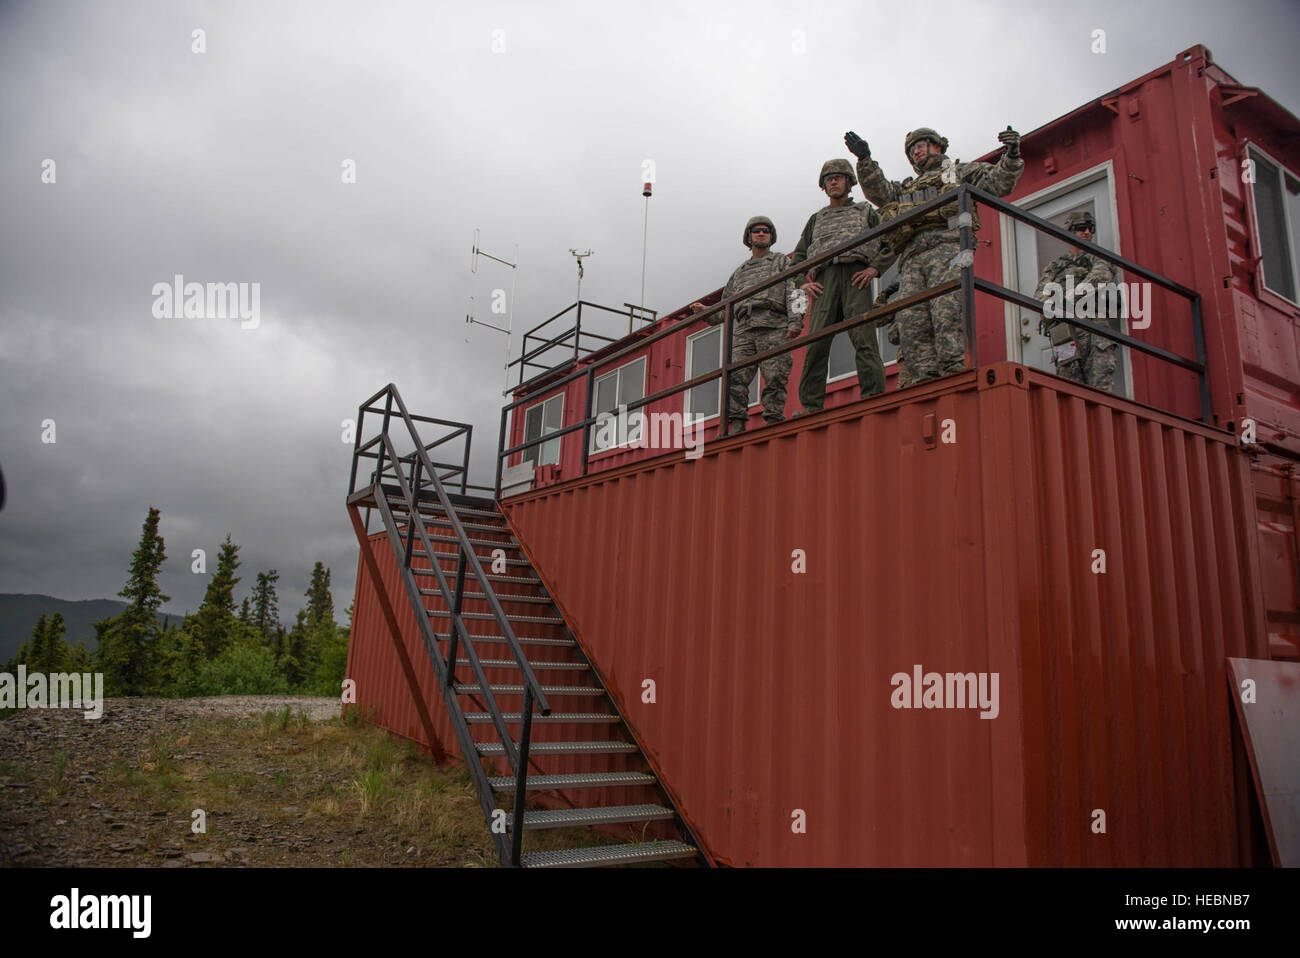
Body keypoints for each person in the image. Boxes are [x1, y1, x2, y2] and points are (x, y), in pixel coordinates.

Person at [845, 126, 1024, 383]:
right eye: (912, 149)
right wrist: (865, 161)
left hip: (948, 249)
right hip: (911, 259)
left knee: (947, 315)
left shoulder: (958, 172)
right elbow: (880, 193)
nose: (916, 151)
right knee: (910, 320)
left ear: (937, 146)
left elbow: (998, 182)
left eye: (921, 145)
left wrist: (1013, 154)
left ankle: (956, 377)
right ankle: (924, 384)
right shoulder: (906, 187)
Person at [785, 159, 897, 415]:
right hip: (824, 281)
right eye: (828, 179)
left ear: (849, 181)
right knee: (816, 344)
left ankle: (873, 395)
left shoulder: (865, 211)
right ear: (823, 186)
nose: (833, 181)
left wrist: (874, 268)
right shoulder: (816, 219)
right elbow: (798, 259)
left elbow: (890, 242)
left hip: (855, 276)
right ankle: (811, 405)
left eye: (838, 177)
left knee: (863, 337)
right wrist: (804, 282)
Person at [689, 216, 802, 432]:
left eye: (766, 231)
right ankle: (737, 423)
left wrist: (796, 321)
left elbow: (795, 291)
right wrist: (706, 313)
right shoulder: (739, 274)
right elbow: (725, 310)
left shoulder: (781, 262)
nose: (761, 233)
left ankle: (773, 420)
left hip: (774, 325)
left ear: (771, 237)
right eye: (757, 230)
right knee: (735, 378)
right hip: (744, 330)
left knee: (776, 376)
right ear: (748, 238)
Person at [1033, 210, 1118, 390]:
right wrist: (1054, 307)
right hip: (1065, 334)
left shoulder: (1099, 257)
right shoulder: (1056, 266)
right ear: (1069, 232)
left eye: (1090, 228)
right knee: (1071, 391)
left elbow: (1099, 277)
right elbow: (1041, 294)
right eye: (1081, 228)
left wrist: (1065, 301)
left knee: (1101, 389)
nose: (1087, 232)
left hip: (1094, 329)